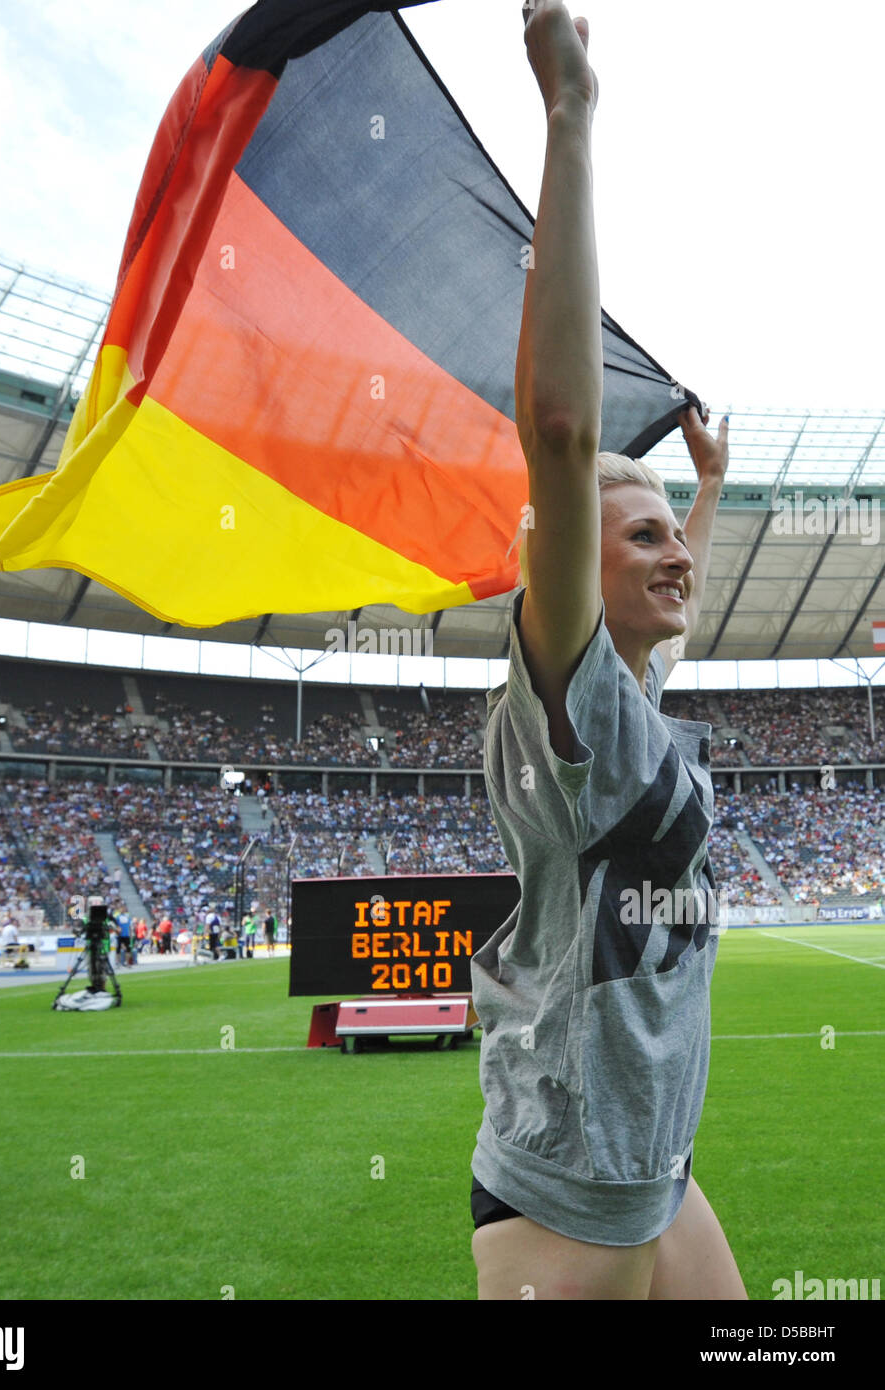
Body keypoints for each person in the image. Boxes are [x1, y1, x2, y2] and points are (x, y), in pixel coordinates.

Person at [468, 3, 743, 1300]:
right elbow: (567, 433)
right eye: (642, 541)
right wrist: (570, 119)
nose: (677, 559)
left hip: (657, 1160)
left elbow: (668, 587)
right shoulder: (574, 703)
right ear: (575, 564)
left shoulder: (631, 699)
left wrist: (705, 492)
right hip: (569, 1185)